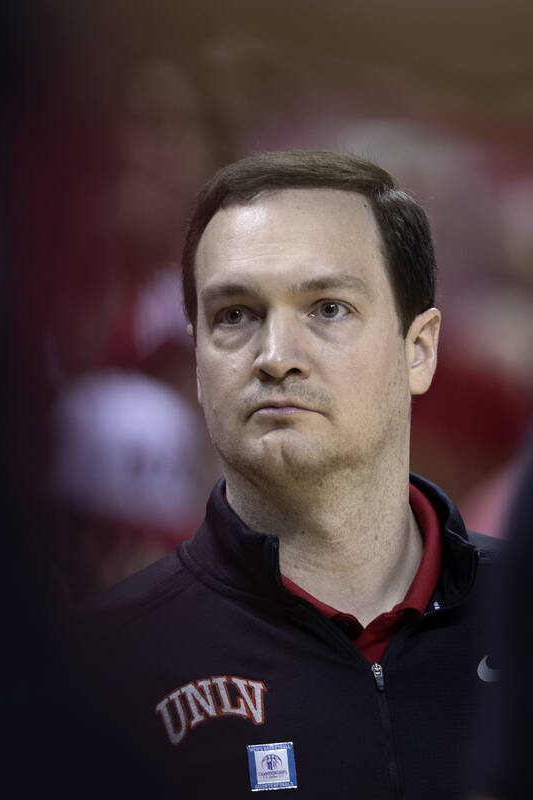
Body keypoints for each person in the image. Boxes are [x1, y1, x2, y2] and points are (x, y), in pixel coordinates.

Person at [68, 150, 502, 799]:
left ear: (419, 350)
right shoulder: (97, 673)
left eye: (327, 308)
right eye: (235, 315)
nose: (275, 358)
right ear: (196, 358)